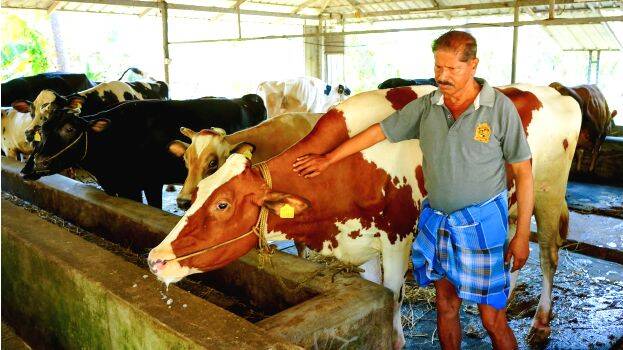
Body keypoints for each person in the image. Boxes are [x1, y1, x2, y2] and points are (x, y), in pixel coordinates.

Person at [292, 30, 533, 350]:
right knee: (445, 307)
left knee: (492, 319)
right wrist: (328, 158)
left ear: (473, 65)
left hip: (483, 225)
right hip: (440, 222)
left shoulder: (499, 109)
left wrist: (521, 236)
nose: (443, 76)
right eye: (438, 68)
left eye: (452, 69)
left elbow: (524, 174)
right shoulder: (428, 106)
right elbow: (380, 131)